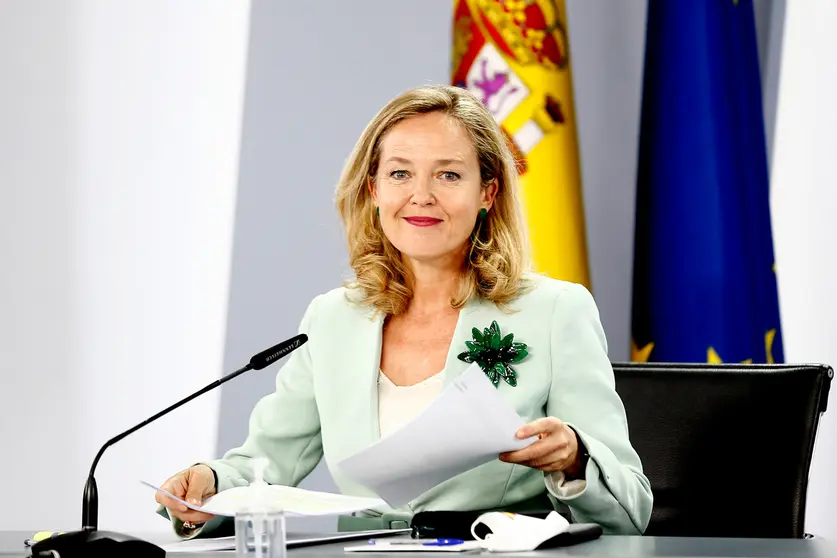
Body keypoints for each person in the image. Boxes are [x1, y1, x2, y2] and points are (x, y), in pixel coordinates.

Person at [155, 84, 653, 538]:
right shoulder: (333, 319)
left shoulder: (554, 312)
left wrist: (573, 458)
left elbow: (633, 507)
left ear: (487, 193)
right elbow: (265, 464)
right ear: (374, 191)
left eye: (449, 175)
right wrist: (207, 483)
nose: (421, 195)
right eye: (399, 173)